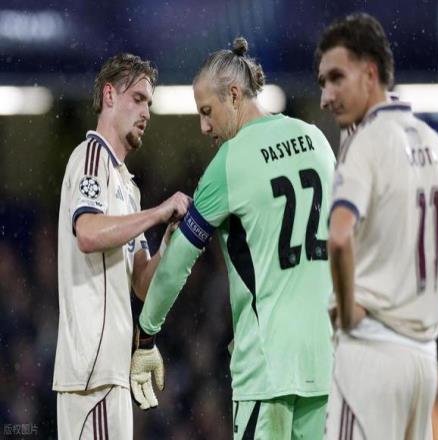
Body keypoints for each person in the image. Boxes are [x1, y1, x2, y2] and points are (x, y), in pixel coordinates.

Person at [131, 37, 335, 439]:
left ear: (236, 95)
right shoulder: (317, 140)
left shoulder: (231, 161)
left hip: (267, 369)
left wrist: (147, 335)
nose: (204, 127)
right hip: (325, 366)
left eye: (207, 112)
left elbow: (176, 265)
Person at [316, 13, 438, 440]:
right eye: (322, 83)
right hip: (421, 362)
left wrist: (348, 314)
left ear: (370, 74)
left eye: (336, 78)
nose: (325, 96)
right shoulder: (432, 143)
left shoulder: (365, 143)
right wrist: (433, 316)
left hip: (371, 356)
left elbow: (339, 237)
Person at [52, 53, 190, 439]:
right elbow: (87, 232)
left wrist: (167, 241)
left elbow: (142, 284)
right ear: (109, 95)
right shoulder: (92, 156)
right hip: (91, 372)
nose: (146, 112)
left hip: (110, 372)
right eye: (138, 98)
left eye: (150, 103)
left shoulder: (128, 187)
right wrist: (157, 213)